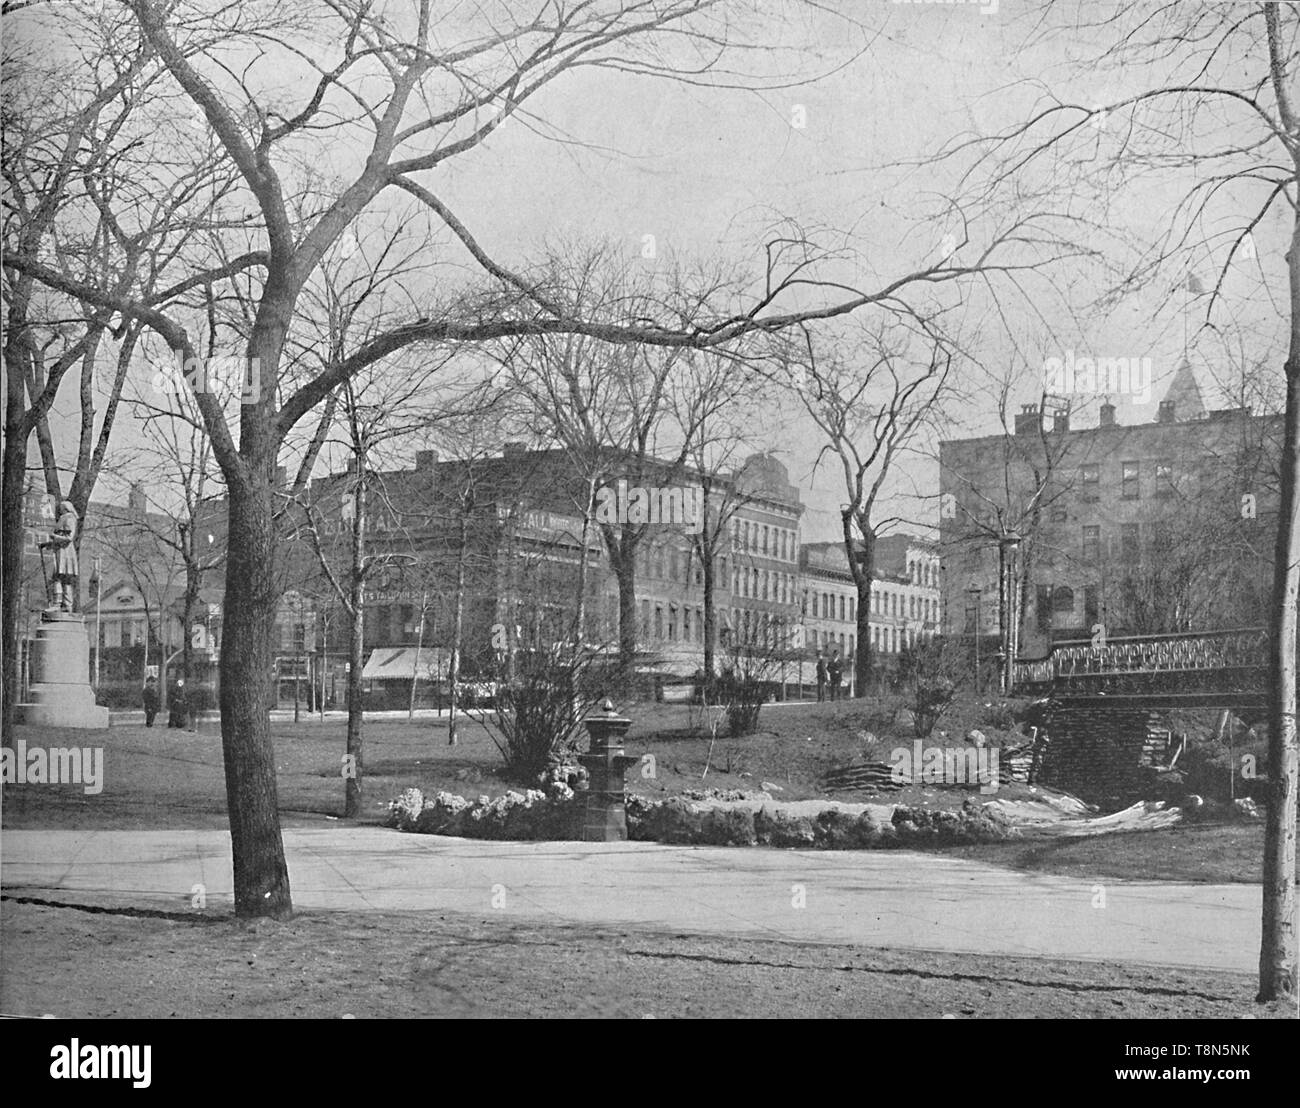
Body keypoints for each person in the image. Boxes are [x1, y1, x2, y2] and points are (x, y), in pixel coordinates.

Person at [42, 500, 79, 611]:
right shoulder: (65, 518)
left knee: (60, 577)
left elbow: (68, 538)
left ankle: (58, 604)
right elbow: (61, 536)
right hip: (61, 551)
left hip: (65, 552)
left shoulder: (69, 518)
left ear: (66, 508)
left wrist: (53, 536)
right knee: (63, 578)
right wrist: (45, 544)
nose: (59, 510)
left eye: (61, 508)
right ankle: (66, 605)